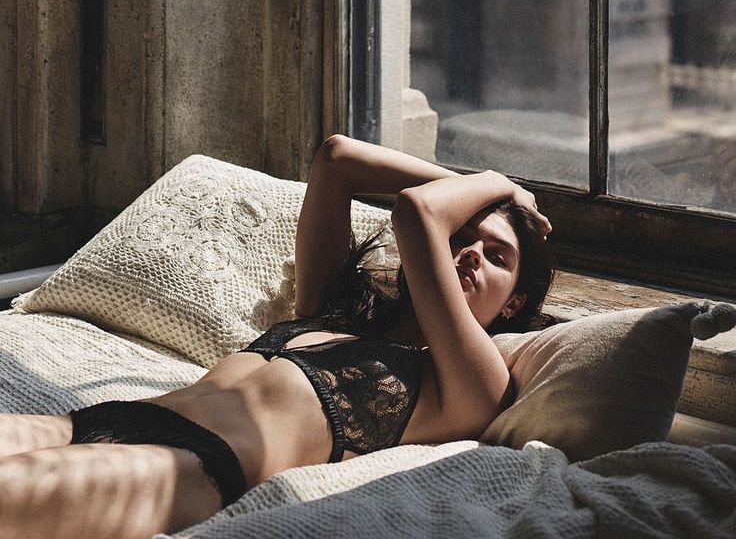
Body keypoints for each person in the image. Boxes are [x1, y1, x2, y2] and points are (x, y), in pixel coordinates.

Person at [0, 135, 553, 539]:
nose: (471, 254)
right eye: (462, 237)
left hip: (190, 468)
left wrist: (501, 186)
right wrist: (499, 194)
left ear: (515, 302)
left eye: (497, 255)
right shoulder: (334, 309)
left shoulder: (475, 381)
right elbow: (336, 160)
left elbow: (417, 212)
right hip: (109, 417)